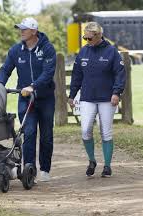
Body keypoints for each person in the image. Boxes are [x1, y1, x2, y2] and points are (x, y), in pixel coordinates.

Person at [0, 17, 56, 182]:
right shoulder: (16, 50)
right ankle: (29, 170)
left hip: (45, 99)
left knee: (46, 135)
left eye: (24, 29)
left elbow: (48, 73)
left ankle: (45, 169)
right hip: (25, 99)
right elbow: (5, 69)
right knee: (28, 133)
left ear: (34, 31)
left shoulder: (47, 49)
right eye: (20, 29)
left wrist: (33, 86)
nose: (21, 31)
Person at [68, 22, 126, 178]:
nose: (87, 41)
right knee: (85, 129)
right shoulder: (83, 52)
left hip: (107, 98)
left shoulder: (112, 52)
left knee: (105, 131)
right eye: (84, 38)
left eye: (90, 38)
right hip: (87, 97)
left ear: (99, 35)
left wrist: (116, 93)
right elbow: (77, 75)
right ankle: (92, 160)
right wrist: (72, 95)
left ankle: (107, 166)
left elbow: (120, 74)